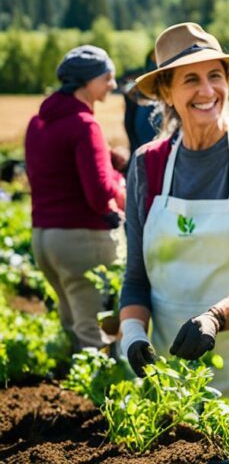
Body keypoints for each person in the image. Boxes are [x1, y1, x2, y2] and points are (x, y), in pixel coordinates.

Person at [117, 23, 229, 403]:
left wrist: (214, 317)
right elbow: (136, 278)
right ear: (166, 92)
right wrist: (133, 336)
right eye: (190, 79)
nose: (207, 91)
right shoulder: (148, 166)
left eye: (215, 76)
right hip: (168, 376)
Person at [25, 45, 125, 351]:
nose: (112, 84)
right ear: (88, 81)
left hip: (43, 239)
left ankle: (68, 393)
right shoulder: (85, 125)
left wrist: (107, 159)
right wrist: (122, 193)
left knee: (71, 324)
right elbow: (98, 194)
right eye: (107, 77)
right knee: (93, 335)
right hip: (80, 240)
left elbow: (50, 170)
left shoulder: (38, 123)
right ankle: (99, 395)